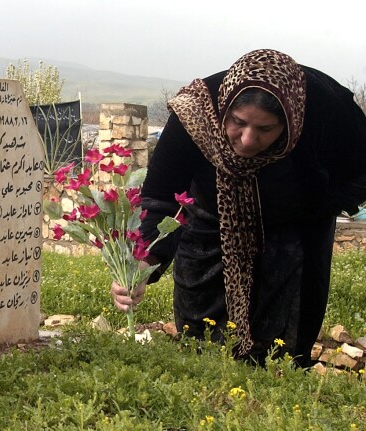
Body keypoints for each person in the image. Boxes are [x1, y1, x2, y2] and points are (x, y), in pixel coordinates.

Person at [111, 49, 366, 366]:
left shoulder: (323, 109)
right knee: (201, 343)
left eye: (265, 130)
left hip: (295, 232)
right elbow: (160, 195)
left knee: (282, 348)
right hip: (208, 219)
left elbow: (357, 172)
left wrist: (315, 205)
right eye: (238, 122)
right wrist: (141, 262)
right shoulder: (195, 114)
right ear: (224, 108)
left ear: (288, 123)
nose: (247, 140)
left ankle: (273, 401)